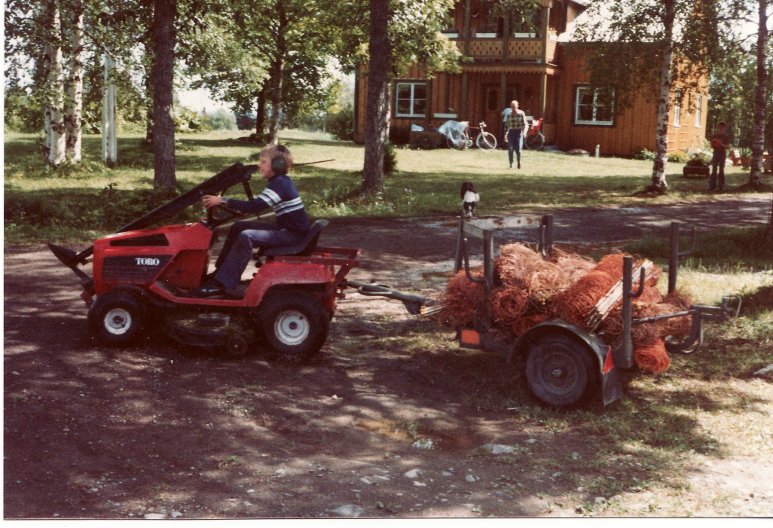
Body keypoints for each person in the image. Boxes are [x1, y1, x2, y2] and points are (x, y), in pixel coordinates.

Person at [195, 144, 310, 296]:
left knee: (247, 235)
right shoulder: (279, 182)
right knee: (239, 226)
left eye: (263, 162)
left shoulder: (280, 184)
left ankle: (223, 283)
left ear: (277, 165)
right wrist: (233, 206)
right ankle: (220, 274)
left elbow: (255, 206)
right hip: (286, 230)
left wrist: (223, 200)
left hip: (292, 235)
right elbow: (254, 205)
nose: (259, 165)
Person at [504, 100, 530, 169]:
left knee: (518, 150)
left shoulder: (521, 113)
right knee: (510, 149)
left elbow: (526, 124)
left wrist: (524, 132)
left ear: (517, 106)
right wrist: (505, 135)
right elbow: (507, 126)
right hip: (511, 133)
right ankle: (511, 164)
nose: (513, 108)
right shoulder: (509, 115)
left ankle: (519, 162)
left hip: (519, 133)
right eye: (512, 106)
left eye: (514, 106)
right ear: (511, 107)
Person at [709, 122, 731, 191]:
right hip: (715, 153)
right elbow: (711, 145)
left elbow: (728, 146)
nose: (721, 129)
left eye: (723, 128)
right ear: (718, 128)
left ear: (725, 128)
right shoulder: (714, 136)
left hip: (722, 154)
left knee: (721, 170)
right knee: (714, 170)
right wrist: (714, 144)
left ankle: (721, 186)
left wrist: (721, 144)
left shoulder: (726, 136)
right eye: (720, 127)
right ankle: (712, 186)